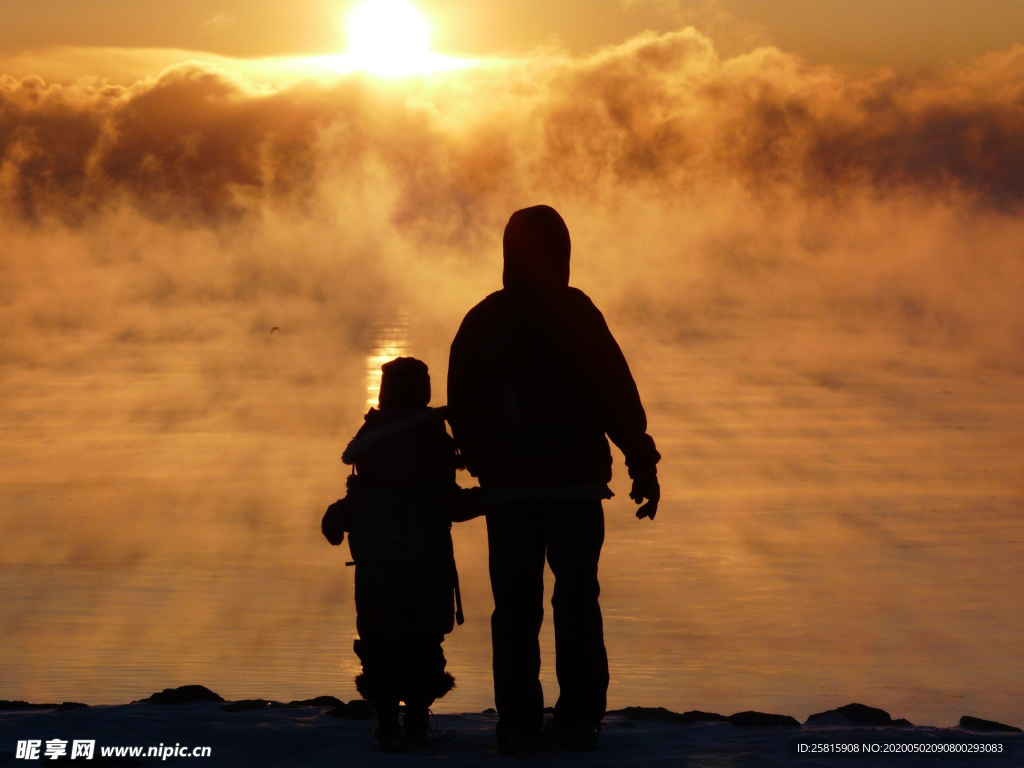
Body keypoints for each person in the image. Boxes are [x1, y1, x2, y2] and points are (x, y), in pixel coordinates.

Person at [447, 205, 660, 755]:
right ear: (562, 253)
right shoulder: (577, 311)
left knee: (515, 607)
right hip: (575, 488)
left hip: (510, 492)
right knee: (577, 600)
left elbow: (462, 403)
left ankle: (518, 723)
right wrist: (642, 461)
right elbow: (616, 392)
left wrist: (480, 460)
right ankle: (578, 719)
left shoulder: (483, 319)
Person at [321, 357, 475, 752]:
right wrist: (493, 499)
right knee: (424, 643)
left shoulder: (371, 436)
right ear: (423, 391)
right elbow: (451, 504)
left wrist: (337, 518)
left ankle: (387, 720)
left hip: (378, 569)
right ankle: (417, 720)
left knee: (379, 642)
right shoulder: (436, 438)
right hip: (428, 566)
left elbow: (357, 497)